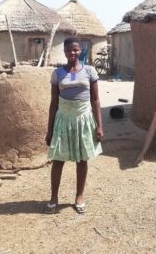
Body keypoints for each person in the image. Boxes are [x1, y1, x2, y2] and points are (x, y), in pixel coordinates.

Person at [45, 37, 103, 214]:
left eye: (76, 50)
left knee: (82, 160)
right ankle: (54, 197)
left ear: (81, 51)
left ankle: (79, 196)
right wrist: (49, 130)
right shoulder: (57, 74)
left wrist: (99, 126)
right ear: (64, 52)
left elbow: (95, 100)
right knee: (58, 160)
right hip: (63, 119)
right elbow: (54, 104)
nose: (73, 53)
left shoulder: (90, 71)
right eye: (69, 50)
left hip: (83, 119)